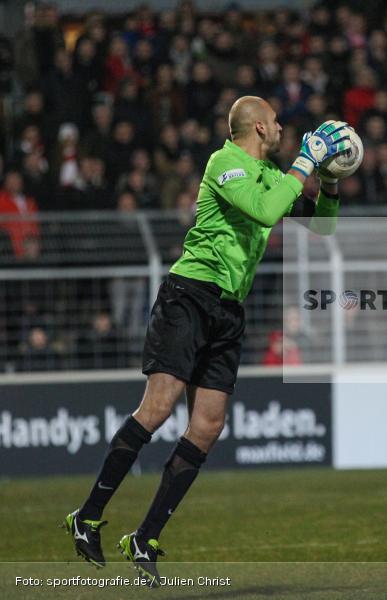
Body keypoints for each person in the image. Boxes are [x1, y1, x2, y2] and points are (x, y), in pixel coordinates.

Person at [63, 96, 353, 586]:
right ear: (259, 128)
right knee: (157, 408)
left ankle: (143, 536)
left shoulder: (269, 174)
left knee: (208, 425)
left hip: (228, 310)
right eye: (277, 122)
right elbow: (264, 214)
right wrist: (305, 162)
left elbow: (322, 227)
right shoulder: (225, 163)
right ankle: (87, 516)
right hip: (190, 296)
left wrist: (328, 181)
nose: (284, 129)